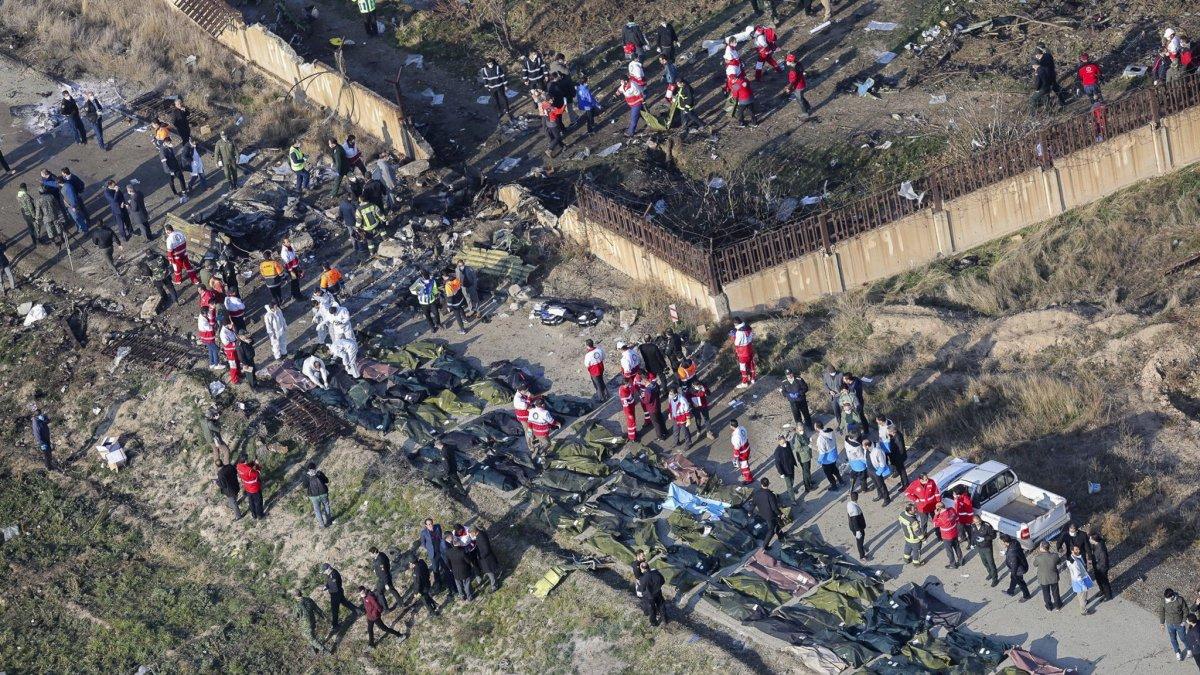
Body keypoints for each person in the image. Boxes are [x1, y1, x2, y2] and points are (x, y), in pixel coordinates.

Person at [320, 564, 358, 629]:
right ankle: (357, 610)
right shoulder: (329, 574)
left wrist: (326, 587)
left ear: (328, 568)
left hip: (336, 594)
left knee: (334, 610)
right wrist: (326, 586)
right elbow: (328, 583)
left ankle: (335, 625)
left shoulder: (333, 575)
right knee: (345, 603)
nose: (324, 572)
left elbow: (334, 587)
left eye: (325, 571)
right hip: (337, 593)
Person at [876, 417, 909, 487]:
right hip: (897, 457)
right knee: (900, 471)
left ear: (893, 432)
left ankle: (905, 484)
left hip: (899, 458)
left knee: (902, 471)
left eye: (889, 432)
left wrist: (898, 458)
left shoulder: (897, 438)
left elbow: (900, 449)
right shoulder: (894, 436)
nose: (888, 433)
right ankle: (903, 481)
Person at [293, 590, 328, 655]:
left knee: (311, 639)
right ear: (301, 593)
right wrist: (323, 617)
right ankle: (315, 650)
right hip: (313, 621)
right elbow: (317, 609)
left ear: (295, 596)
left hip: (305, 625)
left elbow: (295, 616)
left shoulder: (297, 605)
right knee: (311, 636)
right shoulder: (309, 600)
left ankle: (325, 651)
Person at [635, 561, 668, 626]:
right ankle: (665, 620)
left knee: (652, 610)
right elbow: (663, 581)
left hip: (649, 596)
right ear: (648, 567)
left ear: (643, 569)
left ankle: (654, 623)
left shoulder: (643, 578)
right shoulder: (656, 572)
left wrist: (638, 586)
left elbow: (642, 589)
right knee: (661, 606)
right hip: (658, 593)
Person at [752, 477, 782, 547]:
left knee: (777, 524)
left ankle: (781, 536)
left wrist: (750, 511)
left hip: (763, 513)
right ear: (768, 484)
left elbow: (754, 503)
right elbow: (774, 507)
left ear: (761, 484)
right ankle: (765, 545)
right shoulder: (770, 495)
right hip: (770, 515)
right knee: (771, 530)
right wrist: (780, 513)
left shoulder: (757, 493)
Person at [781, 53, 814, 118]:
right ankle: (808, 107)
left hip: (798, 86)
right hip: (802, 83)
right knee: (802, 97)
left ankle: (805, 113)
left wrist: (789, 88)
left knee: (800, 100)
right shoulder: (799, 64)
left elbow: (793, 81)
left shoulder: (793, 71)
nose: (786, 62)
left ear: (790, 62)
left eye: (787, 61)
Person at [468, 525, 500, 591]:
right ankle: (494, 583)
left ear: (474, 532)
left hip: (486, 558)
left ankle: (494, 586)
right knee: (489, 571)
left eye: (471, 533)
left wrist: (481, 556)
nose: (471, 535)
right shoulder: (480, 534)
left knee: (489, 572)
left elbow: (486, 549)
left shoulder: (481, 537)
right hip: (484, 558)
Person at [58, 168, 90, 235]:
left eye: (62, 173)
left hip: (73, 202)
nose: (62, 174)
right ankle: (81, 227)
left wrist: (73, 206)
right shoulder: (66, 182)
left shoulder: (69, 184)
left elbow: (72, 197)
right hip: (72, 201)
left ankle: (85, 227)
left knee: (78, 216)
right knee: (77, 216)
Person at [1162, 588, 1190, 661]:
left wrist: (1184, 621)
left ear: (1172, 597)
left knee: (1183, 638)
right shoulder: (1164, 600)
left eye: (1168, 598)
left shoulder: (1180, 600)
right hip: (1169, 624)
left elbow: (1186, 610)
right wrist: (1162, 623)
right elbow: (1161, 611)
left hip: (1180, 624)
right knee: (1173, 639)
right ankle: (1177, 652)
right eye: (1165, 598)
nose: (1166, 600)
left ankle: (1189, 649)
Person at [482, 57, 513, 121]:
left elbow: (502, 76)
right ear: (486, 64)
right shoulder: (484, 70)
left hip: (499, 86)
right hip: (492, 88)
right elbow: (485, 79)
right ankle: (499, 112)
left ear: (493, 62)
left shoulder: (497, 67)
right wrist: (487, 87)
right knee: (496, 100)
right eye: (488, 63)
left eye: (491, 63)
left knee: (504, 98)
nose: (490, 64)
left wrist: (505, 85)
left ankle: (507, 111)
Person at [444, 533, 474, 601]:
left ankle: (462, 596)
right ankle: (469, 596)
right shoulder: (462, 552)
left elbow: (447, 562)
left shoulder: (448, 552)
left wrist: (450, 568)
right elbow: (468, 561)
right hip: (464, 571)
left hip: (455, 571)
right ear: (458, 543)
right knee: (466, 584)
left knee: (459, 585)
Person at [1034, 541, 1062, 611]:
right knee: (1055, 593)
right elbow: (1059, 562)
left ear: (1042, 548)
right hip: (1053, 578)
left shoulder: (1038, 558)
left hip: (1043, 579)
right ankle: (1058, 605)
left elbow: (1035, 564)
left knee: (1046, 593)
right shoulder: (1055, 556)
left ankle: (1049, 607)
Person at [971, 516, 999, 586]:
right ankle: (990, 573)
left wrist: (984, 538)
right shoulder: (973, 526)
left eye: (979, 521)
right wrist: (972, 544)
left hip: (987, 547)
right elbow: (973, 535)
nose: (978, 523)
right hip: (979, 547)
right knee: (984, 562)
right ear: (974, 522)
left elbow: (993, 535)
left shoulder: (987, 526)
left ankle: (995, 579)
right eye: (976, 522)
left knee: (991, 563)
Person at [1003, 535, 1033, 601]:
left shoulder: (1012, 553)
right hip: (1021, 565)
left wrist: (1013, 574)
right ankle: (1010, 591)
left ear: (1005, 542)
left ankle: (1026, 596)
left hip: (1018, 570)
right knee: (1013, 579)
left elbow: (1014, 565)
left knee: (1021, 583)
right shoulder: (1015, 542)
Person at [934, 502, 963, 569]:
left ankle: (953, 564)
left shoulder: (941, 517)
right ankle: (961, 561)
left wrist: (936, 515)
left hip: (946, 537)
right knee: (957, 548)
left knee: (949, 551)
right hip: (954, 533)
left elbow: (935, 524)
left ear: (939, 509)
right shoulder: (951, 510)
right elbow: (956, 518)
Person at [1067, 546, 1094, 615]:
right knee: (1082, 595)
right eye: (1076, 549)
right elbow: (1078, 576)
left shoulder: (1071, 558)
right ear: (1072, 551)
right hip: (1080, 581)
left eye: (1078, 549)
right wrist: (1083, 585)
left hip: (1077, 580)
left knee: (1081, 595)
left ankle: (1084, 601)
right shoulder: (1075, 563)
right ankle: (1083, 610)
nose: (1078, 550)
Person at [304, 462, 332, 527]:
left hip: (313, 496)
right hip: (323, 493)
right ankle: (329, 521)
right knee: (326, 506)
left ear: (308, 469)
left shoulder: (306, 476)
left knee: (317, 510)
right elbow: (327, 481)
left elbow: (304, 486)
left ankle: (321, 525)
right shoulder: (319, 473)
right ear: (315, 467)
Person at [730, 319, 757, 387]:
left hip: (743, 353)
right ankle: (753, 379)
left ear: (736, 324)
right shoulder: (748, 328)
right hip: (750, 349)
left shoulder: (739, 332)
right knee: (751, 364)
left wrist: (734, 336)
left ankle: (745, 382)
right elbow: (751, 338)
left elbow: (737, 343)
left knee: (743, 368)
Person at [867, 437, 892, 505]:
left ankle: (887, 499)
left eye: (863, 445)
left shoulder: (877, 450)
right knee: (876, 484)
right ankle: (880, 495)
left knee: (881, 485)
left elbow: (882, 463)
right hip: (870, 471)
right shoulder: (866, 450)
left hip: (876, 471)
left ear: (867, 446)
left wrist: (878, 473)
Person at [1089, 532, 1113, 601]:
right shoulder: (1096, 544)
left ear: (1095, 540)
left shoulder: (1101, 550)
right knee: (1098, 580)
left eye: (1091, 539)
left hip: (1101, 569)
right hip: (1097, 567)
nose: (1089, 540)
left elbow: (1103, 562)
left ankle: (1108, 595)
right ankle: (1102, 591)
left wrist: (1098, 568)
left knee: (1104, 582)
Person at [31, 407, 57, 471]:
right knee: (46, 453)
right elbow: (37, 434)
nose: (40, 415)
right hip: (42, 441)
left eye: (40, 413)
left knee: (49, 452)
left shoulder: (41, 418)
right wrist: (41, 443)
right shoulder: (36, 422)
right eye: (39, 414)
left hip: (46, 437)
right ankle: (48, 467)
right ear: (36, 415)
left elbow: (48, 421)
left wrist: (45, 418)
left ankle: (50, 464)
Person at [730, 419, 754, 485]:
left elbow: (737, 448)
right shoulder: (742, 428)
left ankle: (749, 479)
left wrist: (735, 457)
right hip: (747, 448)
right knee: (746, 462)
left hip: (742, 453)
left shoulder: (736, 436)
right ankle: (747, 473)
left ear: (732, 426)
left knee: (744, 466)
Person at [847, 491, 869, 560]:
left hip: (853, 527)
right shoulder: (854, 509)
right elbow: (855, 521)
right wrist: (858, 531)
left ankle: (861, 547)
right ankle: (862, 556)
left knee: (860, 540)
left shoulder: (849, 504)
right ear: (857, 497)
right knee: (859, 541)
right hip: (858, 528)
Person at [16, 184, 39, 248]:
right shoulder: (26, 196)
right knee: (36, 227)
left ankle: (34, 241)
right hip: (30, 214)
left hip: (24, 213)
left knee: (30, 227)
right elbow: (30, 207)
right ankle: (38, 240)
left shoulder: (18, 195)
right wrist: (34, 216)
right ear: (25, 188)